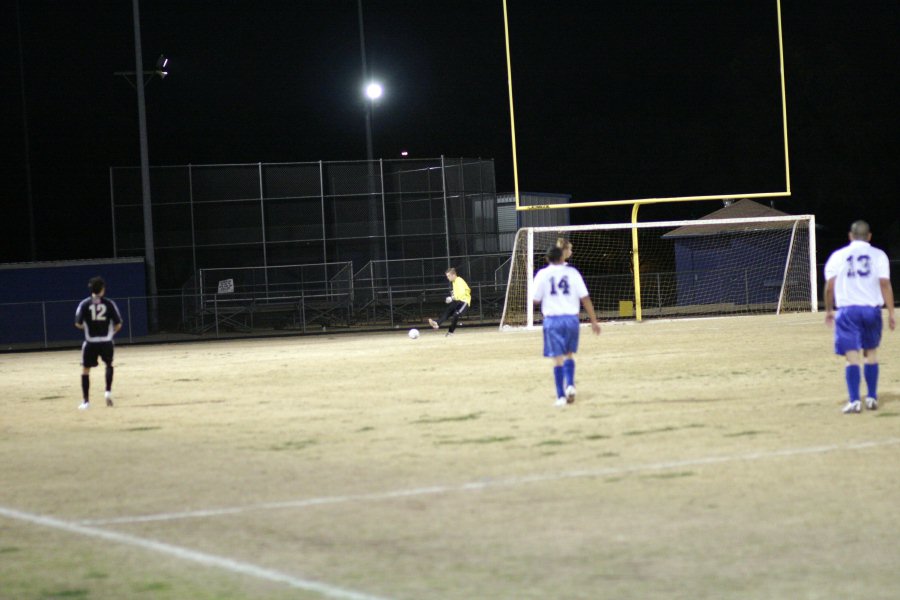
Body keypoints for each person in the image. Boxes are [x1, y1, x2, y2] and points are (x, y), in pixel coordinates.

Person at [824, 220, 895, 414]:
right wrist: (891, 312)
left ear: (850, 236)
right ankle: (871, 397)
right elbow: (885, 284)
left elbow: (830, 287)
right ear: (869, 236)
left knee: (852, 356)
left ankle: (855, 400)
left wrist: (829, 309)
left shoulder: (838, 256)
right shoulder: (879, 255)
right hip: (871, 310)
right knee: (870, 353)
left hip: (848, 311)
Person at [533, 245, 601, 406]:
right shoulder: (573, 273)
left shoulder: (542, 274)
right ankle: (570, 385)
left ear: (547, 259)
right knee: (569, 353)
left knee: (557, 358)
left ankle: (561, 396)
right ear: (562, 257)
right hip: (571, 319)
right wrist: (594, 321)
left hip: (553, 320)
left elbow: (535, 299)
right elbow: (585, 298)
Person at [74, 276, 124, 410]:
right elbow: (118, 324)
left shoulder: (84, 304)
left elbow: (77, 323)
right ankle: (107, 391)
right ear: (102, 289)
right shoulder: (109, 303)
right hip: (106, 341)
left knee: (86, 370)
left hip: (90, 342)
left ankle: (86, 402)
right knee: (109, 365)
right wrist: (111, 333)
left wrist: (88, 327)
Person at [428, 267, 472, 337]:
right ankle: (437, 323)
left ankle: (450, 332)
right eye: (447, 276)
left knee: (455, 315)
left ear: (453, 275)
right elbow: (457, 294)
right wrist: (452, 297)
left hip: (464, 302)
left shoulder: (459, 280)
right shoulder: (454, 282)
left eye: (448, 276)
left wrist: (452, 298)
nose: (447, 277)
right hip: (458, 301)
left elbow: (462, 293)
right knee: (448, 311)